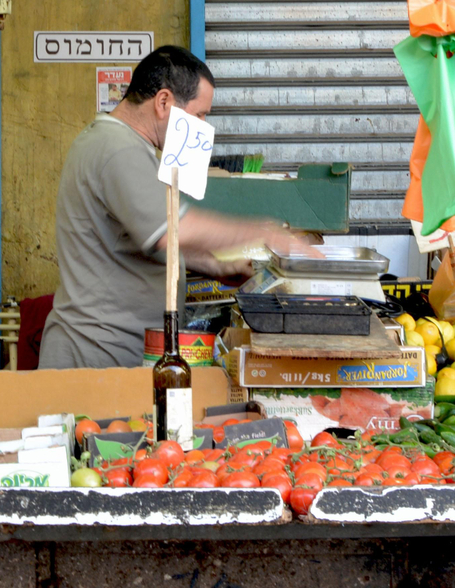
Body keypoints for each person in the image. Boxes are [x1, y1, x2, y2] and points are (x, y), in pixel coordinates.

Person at [39, 45, 300, 369]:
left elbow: (147, 241)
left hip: (119, 350)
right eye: (199, 115)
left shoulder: (129, 147)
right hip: (97, 354)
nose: (203, 127)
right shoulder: (117, 150)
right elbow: (173, 229)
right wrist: (266, 233)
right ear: (163, 102)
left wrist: (217, 267)